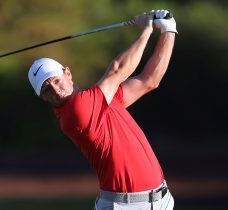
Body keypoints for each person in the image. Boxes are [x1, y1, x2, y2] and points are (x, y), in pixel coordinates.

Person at [28, 9, 177, 210]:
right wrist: (146, 29)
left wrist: (169, 29)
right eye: (46, 89)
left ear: (68, 73)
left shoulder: (98, 102)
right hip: (125, 206)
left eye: (56, 80)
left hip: (162, 200)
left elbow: (150, 80)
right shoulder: (76, 112)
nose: (55, 90)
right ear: (43, 97)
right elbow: (117, 69)